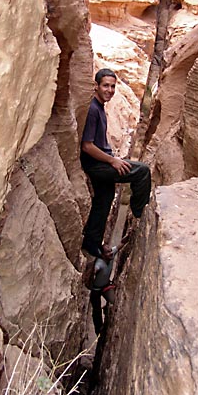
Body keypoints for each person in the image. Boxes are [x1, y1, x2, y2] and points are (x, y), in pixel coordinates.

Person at [80, 68, 151, 259]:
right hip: (97, 165)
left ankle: (93, 244)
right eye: (105, 86)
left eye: (112, 86)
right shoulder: (93, 109)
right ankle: (139, 214)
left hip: (100, 162)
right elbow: (87, 146)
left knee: (104, 198)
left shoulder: (99, 107)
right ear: (96, 86)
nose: (110, 90)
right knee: (142, 171)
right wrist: (113, 160)